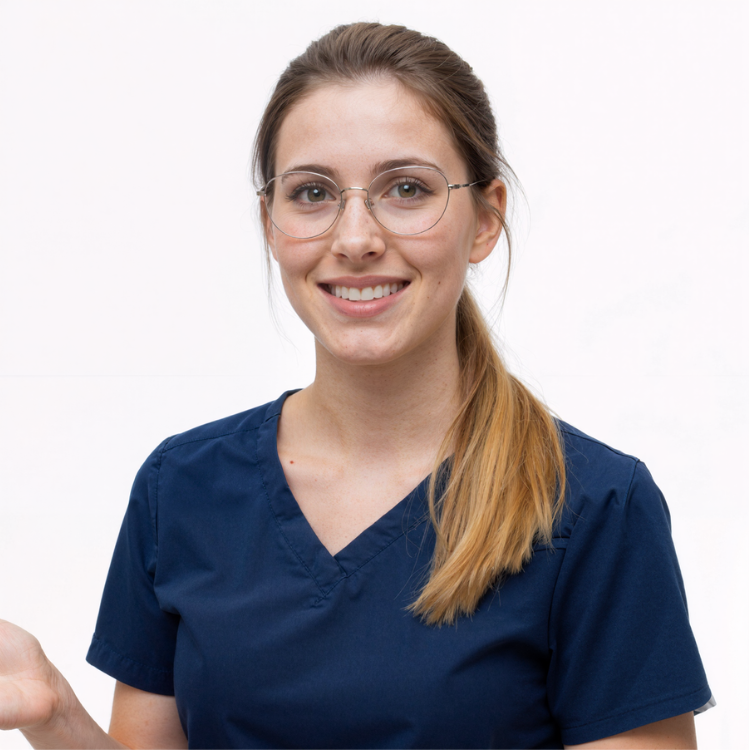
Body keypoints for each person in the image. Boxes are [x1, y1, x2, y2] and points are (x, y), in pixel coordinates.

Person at [0, 22, 713, 750]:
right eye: (311, 193)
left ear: (485, 219)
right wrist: (52, 711)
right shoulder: (181, 490)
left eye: (406, 189)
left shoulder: (594, 508)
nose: (355, 237)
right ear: (270, 223)